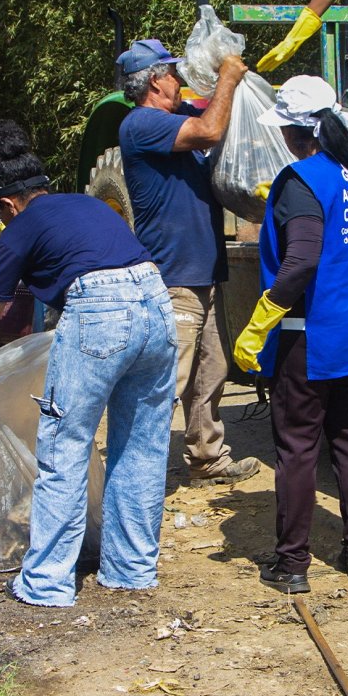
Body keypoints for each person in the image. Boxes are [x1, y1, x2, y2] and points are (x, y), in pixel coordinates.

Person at [0, 151, 177, 608]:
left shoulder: (22, 228)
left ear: (10, 204)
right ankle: (131, 570)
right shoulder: (89, 205)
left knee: (64, 446)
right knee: (142, 447)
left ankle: (47, 583)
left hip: (99, 311)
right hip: (157, 303)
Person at [232, 76, 348, 594]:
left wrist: (259, 324)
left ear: (295, 131)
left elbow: (302, 261)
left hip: (309, 336)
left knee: (298, 448)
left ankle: (292, 564)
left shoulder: (301, 181)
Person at [117, 38, 261, 488]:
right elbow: (211, 131)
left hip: (205, 270)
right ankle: (135, 478)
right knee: (167, 383)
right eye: (173, 72)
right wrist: (226, 79)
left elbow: (217, 112)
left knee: (210, 373)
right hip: (175, 276)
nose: (179, 79)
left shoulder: (176, 115)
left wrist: (231, 79)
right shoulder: (141, 124)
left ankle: (206, 458)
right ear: (155, 80)